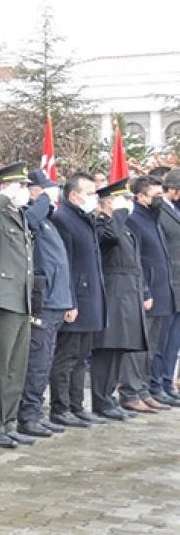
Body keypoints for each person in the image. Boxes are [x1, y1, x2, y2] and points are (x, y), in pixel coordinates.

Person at [0, 162, 36, 449]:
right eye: (19, 186)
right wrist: (0, 198)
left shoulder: (18, 216)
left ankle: (8, 421)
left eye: (24, 186)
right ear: (4, 187)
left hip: (21, 298)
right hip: (2, 299)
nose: (24, 191)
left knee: (16, 367)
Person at [17, 170, 73, 438]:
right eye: (47, 191)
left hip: (56, 301)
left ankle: (35, 412)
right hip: (43, 301)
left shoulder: (48, 221)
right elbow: (27, 223)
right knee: (37, 362)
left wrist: (68, 301)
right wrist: (41, 201)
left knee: (45, 360)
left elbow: (62, 264)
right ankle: (27, 415)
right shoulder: (32, 216)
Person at [50, 172, 105, 428]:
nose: (95, 197)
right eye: (90, 192)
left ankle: (75, 405)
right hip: (76, 299)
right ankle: (60, 408)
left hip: (90, 298)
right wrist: (69, 301)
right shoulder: (63, 218)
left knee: (82, 357)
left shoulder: (84, 218)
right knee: (67, 356)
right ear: (74, 195)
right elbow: (66, 264)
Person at [92, 180, 149, 420]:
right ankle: (101, 400)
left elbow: (135, 262)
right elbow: (110, 238)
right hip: (114, 292)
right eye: (122, 199)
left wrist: (143, 291)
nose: (128, 204)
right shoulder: (102, 224)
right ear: (108, 202)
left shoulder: (122, 226)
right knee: (107, 348)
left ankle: (108, 397)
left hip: (128, 292)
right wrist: (120, 212)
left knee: (118, 348)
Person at [119, 175, 174, 412]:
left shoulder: (154, 218)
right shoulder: (134, 221)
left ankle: (142, 389)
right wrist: (144, 291)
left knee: (151, 346)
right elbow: (135, 260)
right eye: (156, 195)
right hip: (146, 293)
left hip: (161, 291)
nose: (160, 199)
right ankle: (130, 392)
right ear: (140, 197)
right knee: (137, 347)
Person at [153, 169, 180, 404]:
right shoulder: (159, 211)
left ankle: (166, 381)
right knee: (161, 339)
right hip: (167, 283)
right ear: (173, 190)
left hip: (179, 285)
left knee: (174, 341)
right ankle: (156, 383)